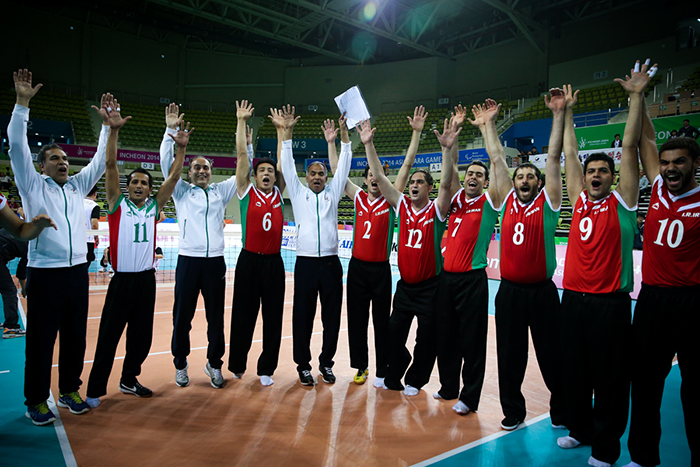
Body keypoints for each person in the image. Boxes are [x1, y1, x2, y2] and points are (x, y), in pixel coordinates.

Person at [556, 59, 652, 467]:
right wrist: (569, 112)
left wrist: (636, 98)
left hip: (610, 305)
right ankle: (579, 430)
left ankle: (606, 448)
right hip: (573, 301)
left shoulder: (624, 202)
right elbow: (570, 152)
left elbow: (629, 146)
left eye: (602, 171)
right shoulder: (578, 200)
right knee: (575, 374)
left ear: (614, 177)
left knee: (611, 382)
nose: (594, 175)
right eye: (591, 171)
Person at [8, 69, 109, 425]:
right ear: (41, 166)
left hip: (76, 273)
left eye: (66, 159)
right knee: (40, 342)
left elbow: (98, 163)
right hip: (45, 275)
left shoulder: (76, 188)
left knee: (75, 338)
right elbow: (17, 146)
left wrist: (108, 128)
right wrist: (22, 104)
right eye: (55, 159)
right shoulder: (33, 187)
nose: (64, 162)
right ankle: (35, 400)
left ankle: (69, 390)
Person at [86, 98, 188, 407]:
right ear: (128, 187)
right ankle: (94, 390)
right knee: (109, 337)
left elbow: (171, 178)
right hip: (121, 282)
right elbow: (110, 166)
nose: (140, 186)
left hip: (146, 282)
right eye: (136, 182)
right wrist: (113, 132)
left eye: (145, 182)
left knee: (141, 339)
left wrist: (180, 148)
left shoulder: (155, 207)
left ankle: (129, 379)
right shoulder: (117, 204)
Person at [623, 100, 700, 467]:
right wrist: (638, 99)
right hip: (653, 300)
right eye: (666, 163)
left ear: (695, 165)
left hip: (693, 302)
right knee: (646, 383)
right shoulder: (657, 189)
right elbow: (645, 140)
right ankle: (642, 456)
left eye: (679, 162)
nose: (670, 168)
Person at [327, 106, 426, 387]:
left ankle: (384, 367)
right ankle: (361, 366)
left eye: (378, 173)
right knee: (357, 322)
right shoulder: (358, 197)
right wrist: (336, 140)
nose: (373, 177)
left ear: (383, 176)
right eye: (370, 173)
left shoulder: (393, 200)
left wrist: (416, 133)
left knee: (383, 322)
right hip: (357, 270)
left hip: (381, 271)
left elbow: (407, 165)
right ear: (365, 177)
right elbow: (337, 171)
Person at [159, 103, 253, 389]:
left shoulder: (219, 192)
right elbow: (167, 165)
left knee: (216, 319)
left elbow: (243, 171)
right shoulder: (181, 191)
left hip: (215, 264)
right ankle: (180, 364)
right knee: (182, 318)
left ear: (211, 172)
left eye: (206, 167)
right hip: (188, 261)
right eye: (197, 167)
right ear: (188, 172)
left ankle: (214, 364)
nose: (202, 171)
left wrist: (247, 148)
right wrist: (169, 132)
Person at [360, 116, 454, 396]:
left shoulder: (436, 210)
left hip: (430, 288)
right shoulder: (400, 205)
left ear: (429, 188)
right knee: (392, 333)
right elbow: (378, 175)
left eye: (419, 182)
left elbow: (448, 183)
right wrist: (368, 144)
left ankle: (415, 380)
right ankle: (398, 365)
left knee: (426, 338)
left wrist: (447, 150)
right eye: (411, 182)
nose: (413, 185)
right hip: (404, 287)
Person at [494, 88, 567, 431]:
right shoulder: (507, 201)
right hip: (509, 292)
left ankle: (562, 409)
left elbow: (553, 158)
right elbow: (497, 159)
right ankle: (513, 411)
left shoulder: (548, 204)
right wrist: (487, 127)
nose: (524, 180)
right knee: (510, 356)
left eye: (529, 177)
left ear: (539, 183)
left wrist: (558, 114)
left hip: (542, 292)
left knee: (553, 354)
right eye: (519, 176)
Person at [433, 101, 509, 415]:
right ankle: (449, 386)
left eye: (479, 174)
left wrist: (488, 126)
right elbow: (448, 176)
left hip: (473, 280)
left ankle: (469, 397)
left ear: (486, 181)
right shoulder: (455, 200)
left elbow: (498, 160)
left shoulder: (490, 201)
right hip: (447, 279)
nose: (474, 177)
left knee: (472, 342)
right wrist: (448, 149)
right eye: (471, 174)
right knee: (446, 337)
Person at [280, 111, 351, 386]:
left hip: (332, 264)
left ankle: (326, 363)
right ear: (306, 176)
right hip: (306, 265)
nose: (318, 177)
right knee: (303, 317)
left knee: (331, 318)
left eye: (322, 173)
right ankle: (303, 365)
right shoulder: (298, 194)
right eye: (313, 173)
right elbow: (287, 166)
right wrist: (287, 134)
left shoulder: (334, 193)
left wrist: (343, 137)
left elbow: (344, 164)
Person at [227, 101, 287, 387]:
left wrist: (280, 132)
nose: (266, 174)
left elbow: (283, 161)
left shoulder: (278, 193)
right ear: (255, 174)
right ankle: (237, 364)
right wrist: (241, 122)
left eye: (270, 171)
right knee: (243, 315)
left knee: (273, 318)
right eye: (262, 170)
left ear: (275, 177)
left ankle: (266, 369)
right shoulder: (246, 190)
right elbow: (241, 155)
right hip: (249, 260)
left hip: (274, 264)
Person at [0, 193, 56, 338]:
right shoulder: (31, 242)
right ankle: (11, 327)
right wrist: (25, 289)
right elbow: (21, 272)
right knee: (9, 291)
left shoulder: (25, 230)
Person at [84, 185, 100, 268]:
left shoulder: (76, 203)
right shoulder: (94, 205)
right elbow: (94, 223)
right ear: (95, 193)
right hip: (88, 239)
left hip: (74, 238)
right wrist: (96, 235)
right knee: (86, 264)